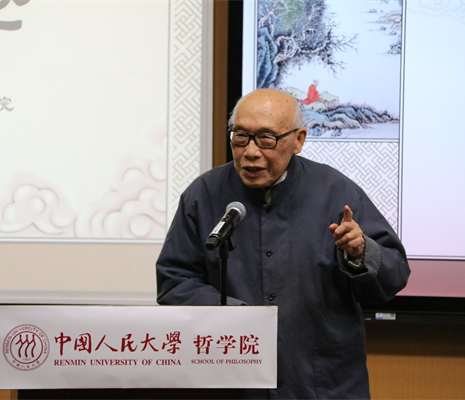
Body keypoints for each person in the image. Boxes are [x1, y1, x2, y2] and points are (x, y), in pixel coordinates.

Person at [156, 88, 410, 399]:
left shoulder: (335, 191)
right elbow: (174, 281)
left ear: (298, 140)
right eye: (240, 136)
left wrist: (360, 253)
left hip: (322, 384)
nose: (250, 152)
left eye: (266, 139)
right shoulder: (204, 194)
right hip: (234, 378)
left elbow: (396, 273)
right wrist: (236, 316)